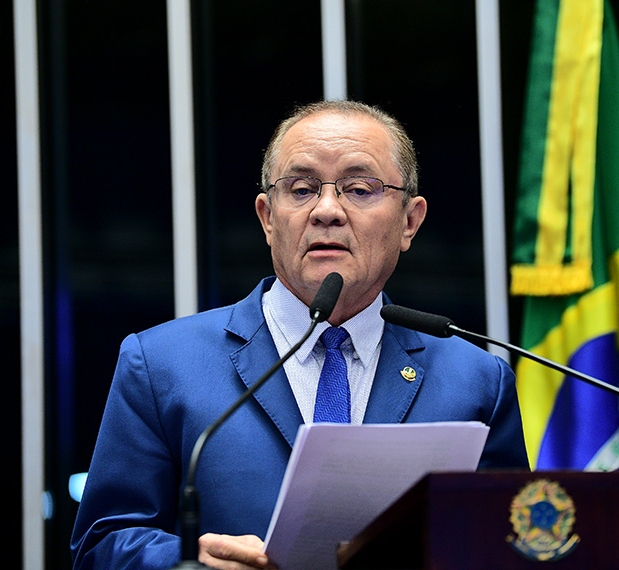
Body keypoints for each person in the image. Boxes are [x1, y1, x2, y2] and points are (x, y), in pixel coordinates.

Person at [71, 100, 529, 570]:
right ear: (268, 217)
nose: (326, 210)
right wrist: (182, 560)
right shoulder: (161, 364)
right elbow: (99, 543)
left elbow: (513, 546)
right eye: (302, 188)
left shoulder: (476, 380)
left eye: (359, 189)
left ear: (410, 221)